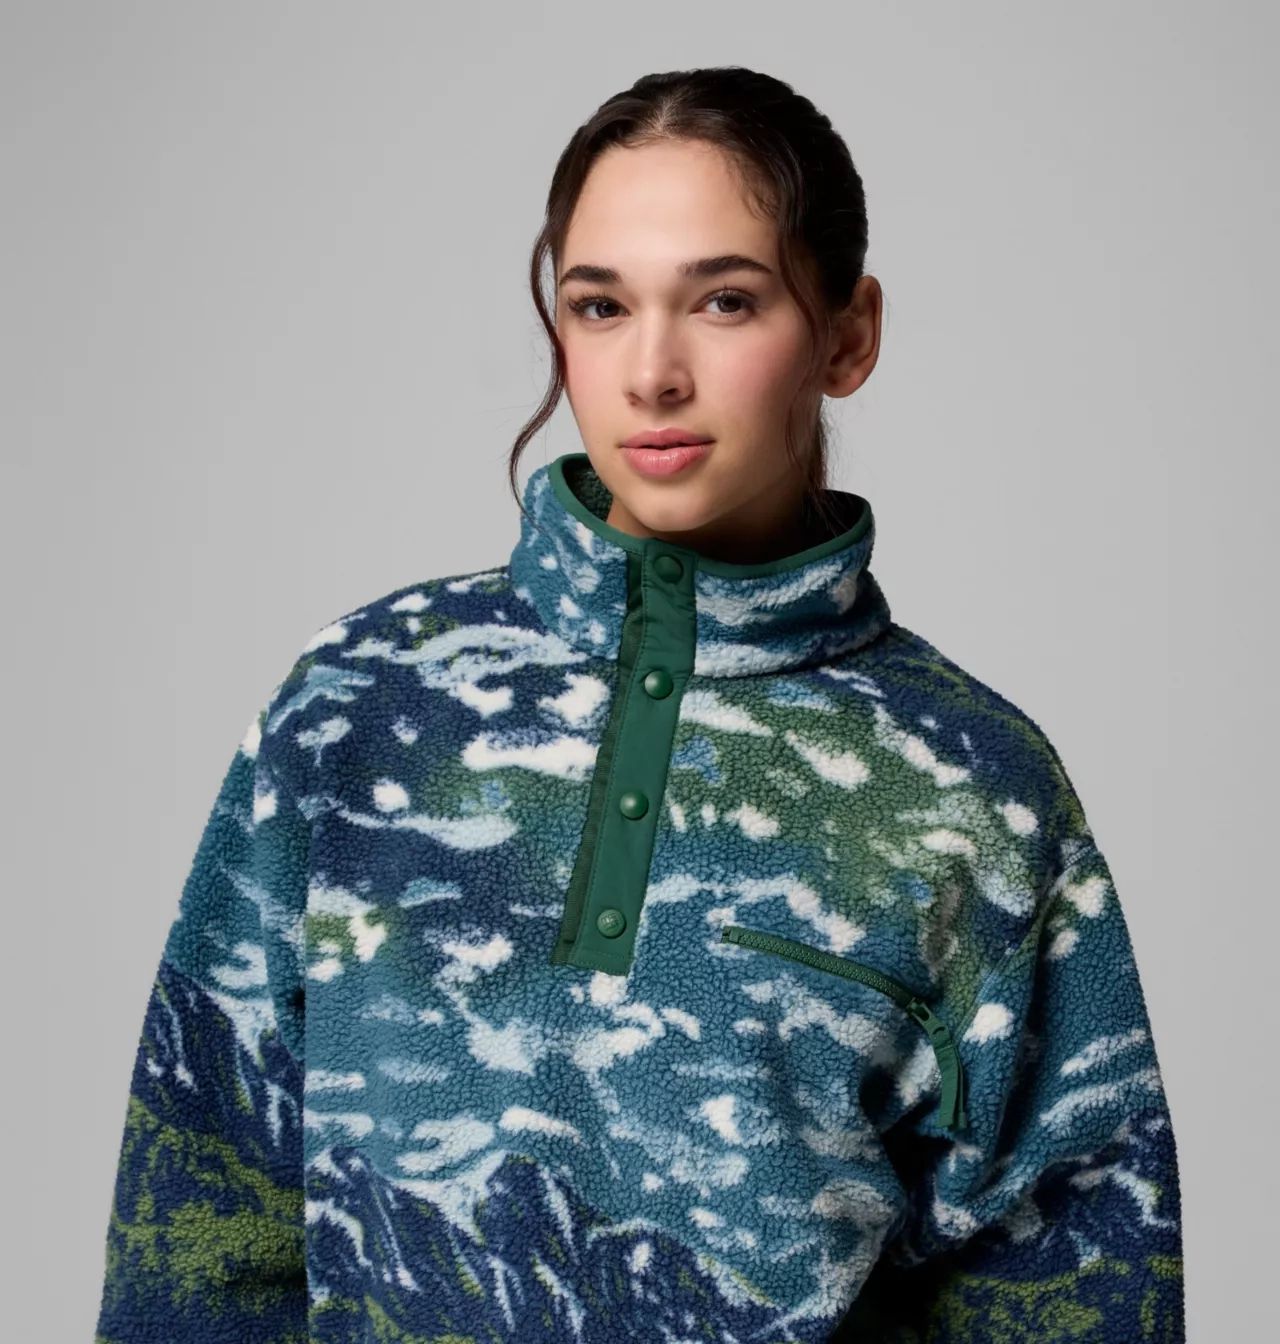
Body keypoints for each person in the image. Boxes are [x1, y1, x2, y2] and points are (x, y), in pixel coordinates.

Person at [94, 66, 1185, 1342]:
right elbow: (199, 1224)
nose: (652, 373)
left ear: (846, 336)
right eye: (599, 305)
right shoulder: (357, 706)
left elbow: (1075, 1294)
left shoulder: (974, 789)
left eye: (725, 301)